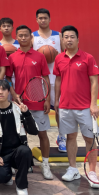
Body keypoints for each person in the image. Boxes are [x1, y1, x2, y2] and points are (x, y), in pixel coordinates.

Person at [54, 26, 99, 189]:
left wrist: (93, 104)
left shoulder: (88, 58)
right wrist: (56, 100)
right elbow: (58, 80)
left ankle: (92, 172)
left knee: (89, 139)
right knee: (70, 137)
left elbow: (94, 81)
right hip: (66, 106)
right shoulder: (59, 58)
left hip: (85, 107)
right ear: (62, 40)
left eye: (72, 37)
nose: (69, 39)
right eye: (66, 37)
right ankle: (73, 168)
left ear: (78, 39)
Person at [6, 25, 53, 180]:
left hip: (38, 101)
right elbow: (8, 78)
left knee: (42, 134)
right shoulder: (12, 57)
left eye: (26, 35)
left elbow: (46, 78)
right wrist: (13, 94)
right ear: (16, 37)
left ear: (31, 37)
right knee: (20, 135)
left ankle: (45, 164)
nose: (23, 38)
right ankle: (22, 163)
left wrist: (47, 99)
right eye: (20, 35)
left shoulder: (40, 56)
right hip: (20, 103)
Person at [0, 80, 38, 196]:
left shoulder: (19, 109)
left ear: (9, 92)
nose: (1, 92)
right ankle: (7, 174)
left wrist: (26, 113)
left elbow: (34, 131)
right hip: (1, 155)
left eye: (4, 89)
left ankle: (21, 185)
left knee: (25, 151)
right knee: (1, 177)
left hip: (18, 152)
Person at [32, 8, 65, 152]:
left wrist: (57, 55)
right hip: (39, 79)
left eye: (45, 18)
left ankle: (62, 137)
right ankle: (40, 139)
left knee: (60, 110)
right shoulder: (32, 37)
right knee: (40, 112)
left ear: (50, 19)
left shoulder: (58, 36)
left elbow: (66, 54)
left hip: (57, 78)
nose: (43, 20)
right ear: (36, 20)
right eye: (40, 18)